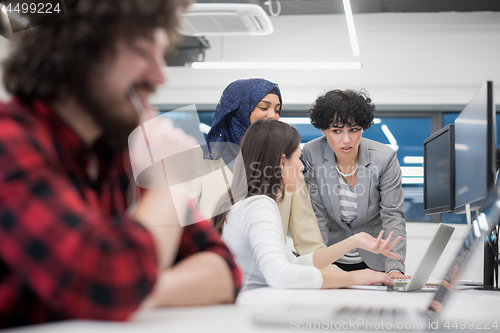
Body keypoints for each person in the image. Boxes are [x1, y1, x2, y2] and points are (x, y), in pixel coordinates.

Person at [0, 0, 241, 328]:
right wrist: (169, 177)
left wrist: (143, 290)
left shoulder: (116, 155)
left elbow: (223, 269)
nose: (159, 77)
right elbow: (106, 281)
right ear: (75, 52)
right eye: (142, 52)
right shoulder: (9, 140)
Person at [213, 119, 400, 290]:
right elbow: (282, 276)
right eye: (298, 158)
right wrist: (354, 278)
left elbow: (294, 265)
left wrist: (354, 241)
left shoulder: (250, 203)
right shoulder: (260, 206)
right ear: (282, 162)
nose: (302, 166)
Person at [191, 78, 328, 256]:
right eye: (264, 107)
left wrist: (351, 279)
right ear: (239, 109)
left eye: (277, 110)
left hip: (268, 274)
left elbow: (309, 243)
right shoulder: (203, 156)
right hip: (212, 268)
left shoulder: (288, 163)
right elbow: (180, 224)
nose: (272, 115)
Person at [303, 89, 408, 278]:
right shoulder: (312, 153)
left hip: (375, 259)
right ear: (323, 130)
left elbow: (393, 216)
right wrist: (316, 263)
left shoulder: (384, 158)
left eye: (354, 129)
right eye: (336, 131)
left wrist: (394, 268)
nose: (346, 139)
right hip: (331, 256)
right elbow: (317, 215)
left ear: (363, 128)